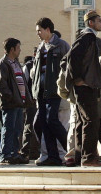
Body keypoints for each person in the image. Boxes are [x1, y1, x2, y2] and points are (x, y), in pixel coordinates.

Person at [67, 10, 101, 166]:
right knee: (91, 121)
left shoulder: (88, 38)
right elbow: (72, 57)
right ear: (91, 23)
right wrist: (77, 79)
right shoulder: (87, 38)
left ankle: (80, 155)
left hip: (86, 86)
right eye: (98, 20)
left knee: (82, 121)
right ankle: (88, 157)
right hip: (85, 87)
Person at [32, 17, 70, 166]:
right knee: (43, 122)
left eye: (39, 31)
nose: (38, 34)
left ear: (48, 30)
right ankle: (52, 156)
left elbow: (68, 66)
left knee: (52, 120)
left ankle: (70, 149)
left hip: (54, 90)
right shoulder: (41, 47)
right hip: (40, 91)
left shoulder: (61, 45)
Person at [0, 37, 33, 164]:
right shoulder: (3, 64)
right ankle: (6, 154)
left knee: (17, 129)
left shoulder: (16, 63)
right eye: (18, 48)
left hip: (19, 103)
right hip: (10, 103)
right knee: (8, 128)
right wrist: (10, 98)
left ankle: (14, 153)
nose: (20, 50)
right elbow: (1, 85)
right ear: (12, 49)